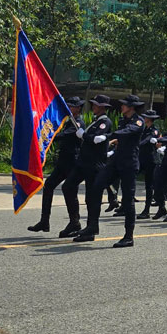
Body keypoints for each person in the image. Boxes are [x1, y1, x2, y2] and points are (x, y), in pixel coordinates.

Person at [72, 94, 146, 247]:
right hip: (116, 161)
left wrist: (107, 136)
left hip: (129, 164)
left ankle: (128, 236)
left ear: (131, 107)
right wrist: (111, 144)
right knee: (96, 186)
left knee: (128, 199)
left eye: (124, 104)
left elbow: (127, 132)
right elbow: (120, 137)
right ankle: (92, 227)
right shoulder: (123, 120)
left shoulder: (138, 121)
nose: (122, 106)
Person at [57, 94, 113, 238]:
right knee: (68, 186)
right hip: (83, 163)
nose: (93, 106)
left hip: (94, 164)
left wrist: (83, 135)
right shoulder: (95, 121)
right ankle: (74, 222)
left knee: (92, 197)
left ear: (102, 107)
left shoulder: (105, 122)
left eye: (95, 105)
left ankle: (92, 228)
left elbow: (95, 139)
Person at [28, 96, 82, 233]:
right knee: (49, 185)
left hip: (72, 163)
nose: (69, 108)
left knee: (70, 191)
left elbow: (63, 135)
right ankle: (44, 221)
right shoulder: (69, 121)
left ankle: (75, 222)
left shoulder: (78, 123)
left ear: (78, 108)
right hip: (63, 162)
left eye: (71, 106)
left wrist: (43, 135)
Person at [137, 109, 162, 219]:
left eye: (146, 117)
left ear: (150, 119)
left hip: (151, 160)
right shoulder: (144, 129)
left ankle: (147, 210)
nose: (144, 118)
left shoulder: (154, 130)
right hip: (141, 159)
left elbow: (147, 140)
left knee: (149, 185)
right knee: (129, 178)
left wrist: (137, 144)